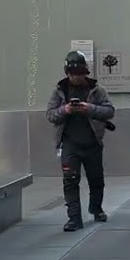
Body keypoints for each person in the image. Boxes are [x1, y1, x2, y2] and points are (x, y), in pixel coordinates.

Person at [47, 51, 116, 231]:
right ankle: (74, 218)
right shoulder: (60, 91)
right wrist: (65, 110)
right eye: (72, 74)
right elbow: (50, 115)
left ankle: (96, 208)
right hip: (69, 143)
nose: (75, 77)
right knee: (70, 180)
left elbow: (109, 111)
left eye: (79, 73)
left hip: (92, 142)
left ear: (85, 72)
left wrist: (89, 108)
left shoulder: (97, 90)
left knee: (96, 179)